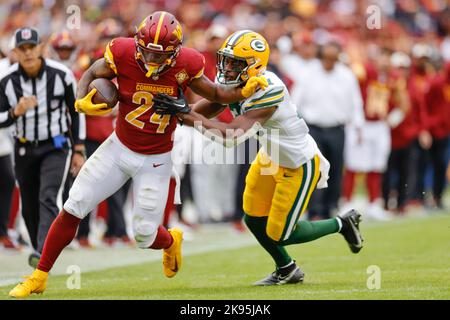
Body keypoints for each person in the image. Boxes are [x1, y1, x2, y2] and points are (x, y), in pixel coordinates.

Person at [8, 11, 267, 298]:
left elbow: (217, 94)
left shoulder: (188, 63)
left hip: (155, 159)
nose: (152, 61)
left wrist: (243, 90)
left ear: (175, 52)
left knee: (144, 234)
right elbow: (94, 72)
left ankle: (170, 241)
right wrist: (82, 99)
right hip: (118, 147)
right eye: (147, 53)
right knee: (74, 205)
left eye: (160, 56)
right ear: (137, 43)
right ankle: (39, 275)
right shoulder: (122, 51)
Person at [153, 30, 364, 285]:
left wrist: (187, 117)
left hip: (298, 162)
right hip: (269, 156)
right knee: (253, 218)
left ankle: (342, 223)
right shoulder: (236, 79)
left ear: (254, 64)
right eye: (227, 60)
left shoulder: (268, 89)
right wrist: (182, 113)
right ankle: (286, 268)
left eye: (235, 63)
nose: (227, 67)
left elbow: (232, 134)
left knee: (281, 233)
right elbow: (214, 104)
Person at [0, 28, 86, 265]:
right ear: (15, 52)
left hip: (55, 146)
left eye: (32, 47)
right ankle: (40, 245)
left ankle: (41, 252)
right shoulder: (6, 81)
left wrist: (78, 148)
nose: (28, 53)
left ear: (41, 48)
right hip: (24, 147)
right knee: (28, 204)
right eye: (22, 49)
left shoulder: (62, 75)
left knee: (48, 196)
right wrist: (14, 112)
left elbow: (75, 111)